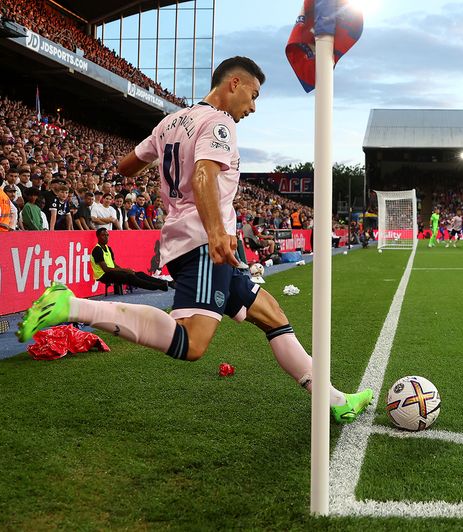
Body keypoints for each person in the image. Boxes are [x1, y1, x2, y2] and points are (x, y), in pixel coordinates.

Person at [17, 56, 372, 424]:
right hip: (202, 241)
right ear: (233, 83)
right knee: (192, 343)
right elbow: (203, 175)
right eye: (253, 95)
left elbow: (125, 167)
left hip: (189, 237)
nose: (252, 107)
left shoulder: (169, 122)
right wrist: (217, 233)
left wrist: (169, 170)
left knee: (271, 314)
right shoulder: (219, 123)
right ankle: (73, 306)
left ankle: (334, 400)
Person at [91, 228, 172, 292]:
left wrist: (125, 270)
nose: (106, 237)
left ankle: (164, 283)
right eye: (103, 235)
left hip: (112, 271)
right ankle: (158, 286)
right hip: (103, 275)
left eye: (107, 235)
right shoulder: (97, 250)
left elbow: (114, 265)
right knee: (130, 277)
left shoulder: (108, 248)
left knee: (138, 273)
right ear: (98, 236)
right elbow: (106, 269)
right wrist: (125, 270)